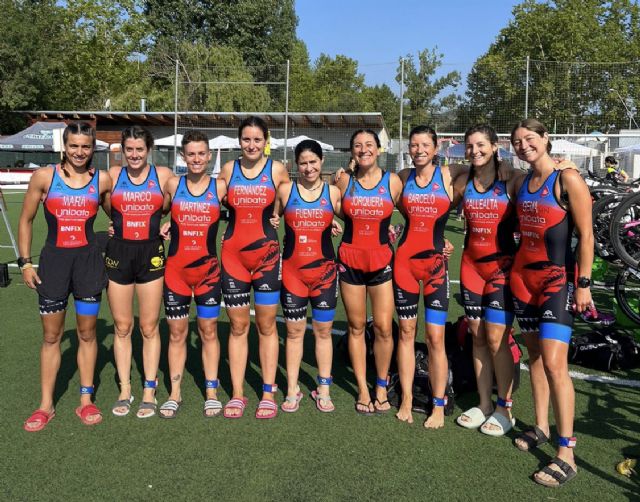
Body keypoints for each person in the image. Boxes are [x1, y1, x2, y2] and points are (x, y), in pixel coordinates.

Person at [510, 118, 593, 487]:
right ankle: (541, 426)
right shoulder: (521, 181)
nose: (523, 145)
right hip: (522, 280)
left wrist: (584, 284)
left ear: (546, 139)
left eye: (530, 139)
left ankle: (567, 452)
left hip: (557, 281)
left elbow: (586, 235)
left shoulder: (568, 179)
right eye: (517, 141)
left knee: (556, 364)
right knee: (536, 359)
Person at [19, 122, 111, 431]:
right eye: (74, 145)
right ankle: (46, 405)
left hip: (87, 265)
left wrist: (154, 228)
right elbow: (27, 220)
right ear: (64, 146)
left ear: (92, 148)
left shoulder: (101, 180)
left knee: (87, 334)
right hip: (54, 264)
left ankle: (86, 400)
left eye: (86, 146)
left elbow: (120, 216)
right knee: (51, 337)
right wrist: (25, 263)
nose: (80, 152)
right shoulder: (44, 177)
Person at [218, 116, 290, 419]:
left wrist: (276, 215)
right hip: (234, 256)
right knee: (237, 326)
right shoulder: (228, 170)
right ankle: (236, 393)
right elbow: (210, 202)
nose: (251, 145)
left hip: (266, 256)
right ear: (239, 141)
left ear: (266, 141)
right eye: (246, 139)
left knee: (266, 325)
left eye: (257, 139)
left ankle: (267, 392)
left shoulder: (276, 169)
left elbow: (291, 200)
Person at [452, 124, 519, 436]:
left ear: (495, 146)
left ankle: (506, 408)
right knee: (477, 336)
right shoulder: (463, 179)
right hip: (470, 267)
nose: (474, 151)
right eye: (469, 146)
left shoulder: (513, 179)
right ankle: (484, 404)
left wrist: (562, 164)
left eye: (481, 145)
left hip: (502, 268)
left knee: (496, 338)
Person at [333, 129, 403, 415]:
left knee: (384, 328)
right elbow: (327, 207)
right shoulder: (342, 180)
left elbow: (416, 214)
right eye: (358, 146)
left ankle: (381, 385)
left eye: (369, 145)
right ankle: (362, 387)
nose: (364, 149)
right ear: (352, 152)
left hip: (381, 260)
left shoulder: (393, 181)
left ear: (379, 148)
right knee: (356, 326)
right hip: (350, 260)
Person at [158, 130, 227, 418]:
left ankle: (211, 390)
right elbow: (156, 211)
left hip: (208, 271)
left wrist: (274, 215)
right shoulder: (173, 184)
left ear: (209, 156)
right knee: (177, 333)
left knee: (208, 330)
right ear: (183, 157)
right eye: (191, 154)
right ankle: (175, 392)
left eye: (201, 154)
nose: (196, 159)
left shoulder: (220, 187)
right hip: (176, 271)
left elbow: (253, 209)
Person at [107, 126, 174, 418]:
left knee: (149, 326)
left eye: (140, 150)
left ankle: (149, 389)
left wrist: (170, 223)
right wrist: (117, 225)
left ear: (149, 150)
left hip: (151, 254)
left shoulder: (162, 175)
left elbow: (177, 203)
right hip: (119, 253)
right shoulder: (112, 175)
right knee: (122, 327)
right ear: (123, 150)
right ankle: (125, 388)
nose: (134, 155)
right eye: (129, 150)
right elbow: (105, 206)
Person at [271, 139, 342, 413]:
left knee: (323, 332)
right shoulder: (286, 190)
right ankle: (292, 389)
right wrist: (272, 220)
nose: (309, 168)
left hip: (324, 274)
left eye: (313, 162)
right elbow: (272, 218)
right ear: (295, 165)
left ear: (321, 162)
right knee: (293, 332)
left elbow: (354, 221)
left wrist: (333, 220)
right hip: (293, 273)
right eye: (303, 163)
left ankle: (323, 388)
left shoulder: (333, 192)